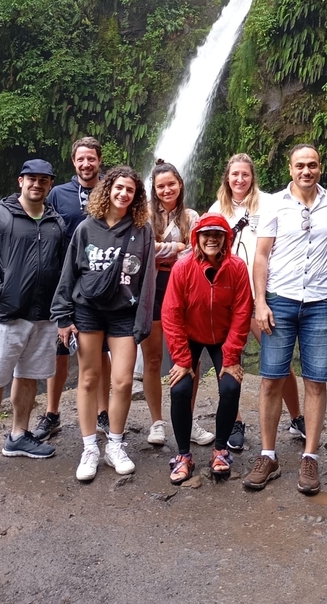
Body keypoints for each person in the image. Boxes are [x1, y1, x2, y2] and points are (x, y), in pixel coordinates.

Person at [244, 143, 327, 495]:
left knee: (316, 381)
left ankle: (311, 456)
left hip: (320, 302)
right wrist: (260, 302)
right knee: (271, 379)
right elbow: (260, 256)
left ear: (320, 168)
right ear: (290, 169)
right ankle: (268, 454)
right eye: (300, 165)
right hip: (279, 301)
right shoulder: (272, 203)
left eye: (313, 165)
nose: (307, 171)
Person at [52, 166, 156, 482]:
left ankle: (114, 443)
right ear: (107, 189)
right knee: (88, 378)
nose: (124, 194)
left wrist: (143, 321)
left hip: (124, 311)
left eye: (131, 190)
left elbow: (148, 278)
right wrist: (63, 314)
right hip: (88, 310)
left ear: (136, 197)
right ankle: (89, 448)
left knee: (123, 381)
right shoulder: (86, 228)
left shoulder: (142, 229)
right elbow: (70, 271)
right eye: (119, 188)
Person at [0, 160, 67, 478]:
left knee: (28, 377)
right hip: (2, 315)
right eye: (32, 179)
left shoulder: (56, 222)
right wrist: (0, 293)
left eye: (44, 180)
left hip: (43, 316)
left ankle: (19, 436)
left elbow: (64, 266)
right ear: (20, 181)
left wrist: (61, 306)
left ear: (50, 185)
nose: (37, 184)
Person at [209, 153, 304, 452]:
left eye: (245, 175)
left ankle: (296, 416)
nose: (239, 179)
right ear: (227, 177)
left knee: (279, 361)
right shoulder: (217, 209)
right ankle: (235, 420)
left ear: (253, 177)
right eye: (234, 174)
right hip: (226, 296)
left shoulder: (269, 203)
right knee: (228, 360)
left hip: (260, 293)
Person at [161, 213, 252, 482]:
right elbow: (171, 313)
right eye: (206, 234)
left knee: (230, 385)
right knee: (180, 387)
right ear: (197, 238)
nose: (211, 239)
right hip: (190, 333)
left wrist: (232, 355)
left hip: (222, 335)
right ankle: (182, 454)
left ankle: (221, 449)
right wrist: (181, 359)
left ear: (226, 239)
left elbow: (242, 312)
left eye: (217, 234)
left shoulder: (236, 268)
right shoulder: (183, 267)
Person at [32, 137, 111, 442]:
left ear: (99, 160)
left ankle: (103, 413)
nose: (86, 164)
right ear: (73, 162)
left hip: (99, 282)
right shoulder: (59, 194)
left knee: (101, 350)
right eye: (81, 159)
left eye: (91, 158)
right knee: (59, 349)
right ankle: (52, 414)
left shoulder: (111, 190)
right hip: (62, 282)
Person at [142, 159, 200, 447]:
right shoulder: (144, 215)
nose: (167, 190)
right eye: (161, 186)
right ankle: (156, 422)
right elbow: (141, 250)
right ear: (153, 188)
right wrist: (174, 247)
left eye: (171, 184)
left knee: (188, 359)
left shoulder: (192, 216)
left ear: (180, 184)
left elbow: (196, 252)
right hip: (152, 287)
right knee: (152, 358)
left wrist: (163, 250)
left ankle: (187, 419)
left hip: (184, 288)